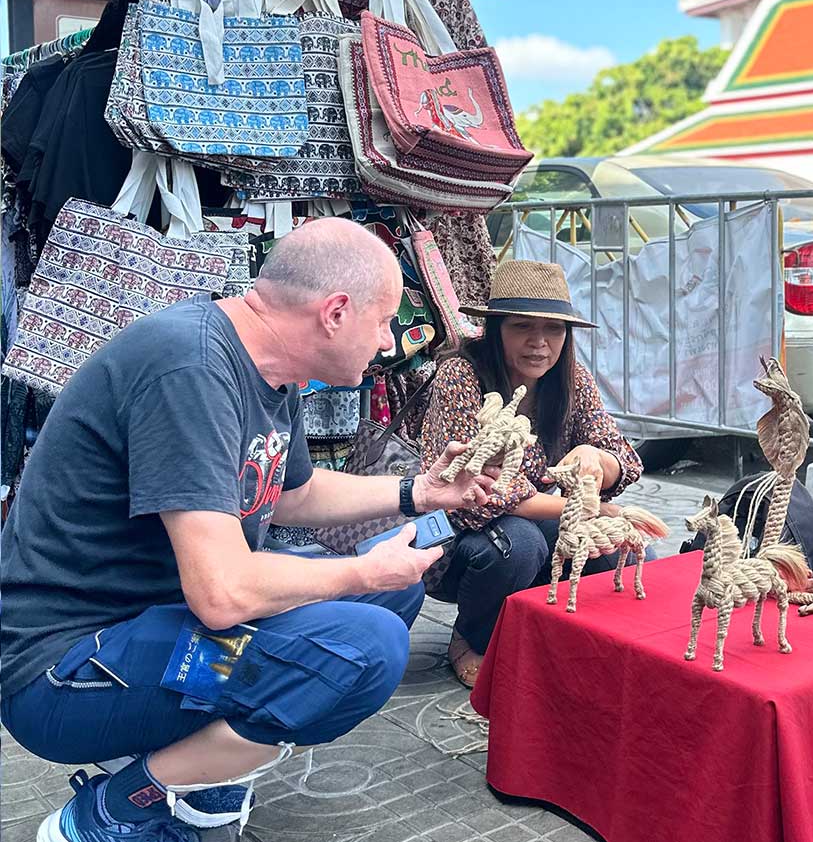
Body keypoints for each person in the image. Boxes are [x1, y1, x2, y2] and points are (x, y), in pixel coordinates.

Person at [0, 219, 497, 842]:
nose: (389, 340)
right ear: (336, 312)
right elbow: (224, 594)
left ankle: (197, 759)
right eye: (385, 319)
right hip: (66, 669)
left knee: (390, 595)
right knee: (366, 646)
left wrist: (420, 491)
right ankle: (122, 804)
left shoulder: (268, 371)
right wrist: (358, 571)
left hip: (155, 622)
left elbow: (293, 495)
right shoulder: (190, 368)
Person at [423, 260, 648, 687]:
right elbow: (479, 492)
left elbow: (625, 458)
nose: (539, 343)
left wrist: (597, 461)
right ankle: (471, 636)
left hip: (553, 520)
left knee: (628, 549)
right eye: (523, 326)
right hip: (463, 537)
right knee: (519, 544)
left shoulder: (571, 379)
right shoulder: (460, 374)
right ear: (496, 329)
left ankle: (578, 636)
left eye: (554, 330)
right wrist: (589, 508)